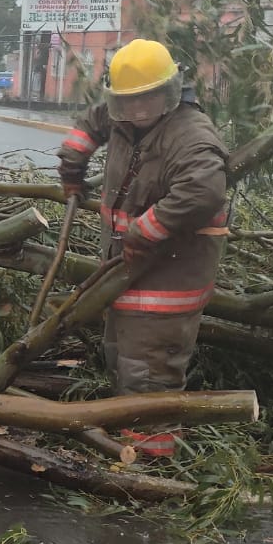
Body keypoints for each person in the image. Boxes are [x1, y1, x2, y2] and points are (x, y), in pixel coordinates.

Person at [57, 39, 229, 438]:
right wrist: (72, 167)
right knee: (121, 362)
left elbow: (203, 191)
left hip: (165, 288)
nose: (137, 111)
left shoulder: (190, 134)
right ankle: (129, 448)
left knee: (148, 379)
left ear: (168, 92)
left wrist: (143, 230)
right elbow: (91, 124)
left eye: (147, 100)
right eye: (128, 102)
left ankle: (151, 470)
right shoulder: (123, 118)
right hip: (127, 277)